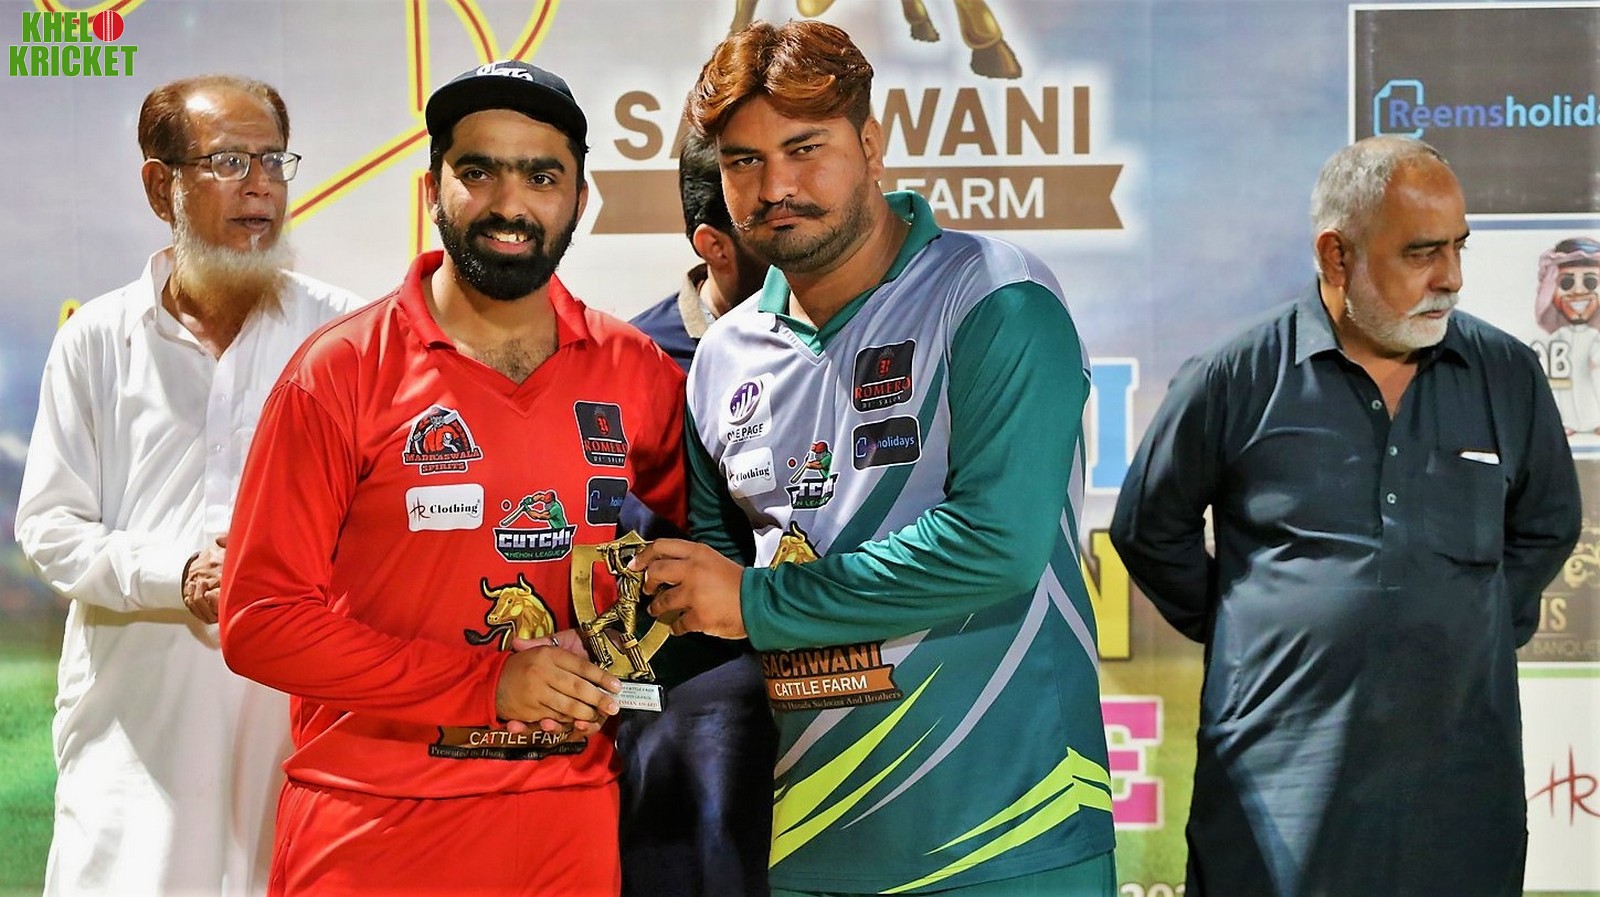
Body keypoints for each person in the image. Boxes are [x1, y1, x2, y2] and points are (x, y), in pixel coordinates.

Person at [631, 20, 1116, 896]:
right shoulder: (723, 356)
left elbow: (996, 547)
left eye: (804, 148)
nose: (775, 186)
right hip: (809, 841)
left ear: (871, 145)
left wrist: (754, 601)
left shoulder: (992, 295)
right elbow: (714, 591)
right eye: (743, 161)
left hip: (1009, 835)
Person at [217, 60, 686, 896]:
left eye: (542, 177)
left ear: (581, 199)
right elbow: (260, 621)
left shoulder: (634, 367)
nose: (510, 204)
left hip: (568, 819)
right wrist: (486, 683)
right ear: (434, 188)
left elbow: (706, 555)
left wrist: (627, 636)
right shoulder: (340, 371)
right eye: (479, 172)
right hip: (374, 824)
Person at [1109, 135, 1582, 897]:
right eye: (1422, 252)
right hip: (1275, 786)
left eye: (1457, 246)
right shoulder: (1233, 376)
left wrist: (1478, 620)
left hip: (1460, 789)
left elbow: (1548, 524)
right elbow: (1148, 529)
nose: (1452, 277)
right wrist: (1247, 624)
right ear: (1336, 256)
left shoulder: (1505, 373)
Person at [14, 74, 362, 896]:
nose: (261, 185)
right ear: (157, 184)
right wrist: (178, 575)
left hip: (294, 724)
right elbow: (50, 528)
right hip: (135, 732)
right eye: (229, 161)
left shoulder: (346, 333)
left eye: (274, 160)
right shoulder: (97, 338)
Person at [616, 129, 775, 897]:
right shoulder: (628, 361)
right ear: (714, 244)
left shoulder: (859, 343)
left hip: (839, 710)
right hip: (683, 729)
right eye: (769, 224)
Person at [1534, 236, 1600, 435]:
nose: (1578, 291)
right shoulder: (1556, 339)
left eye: (1590, 282)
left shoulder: (1595, 338)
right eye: (1566, 283)